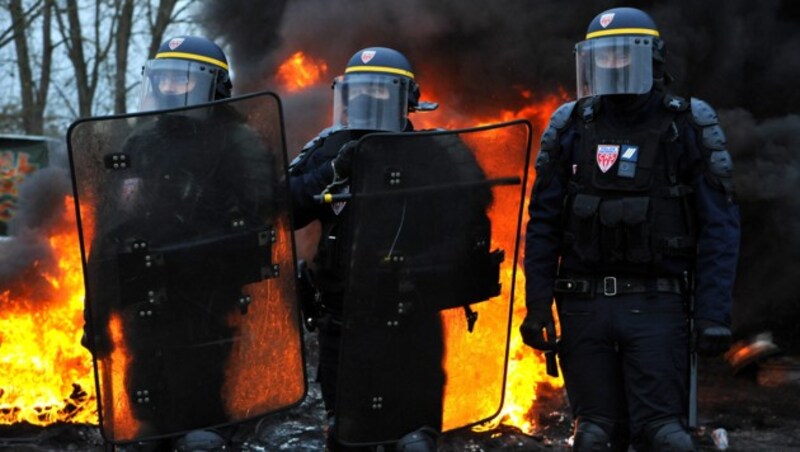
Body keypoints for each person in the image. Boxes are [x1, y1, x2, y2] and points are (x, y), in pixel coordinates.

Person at [520, 7, 740, 452]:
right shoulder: (570, 125)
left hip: (658, 305)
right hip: (583, 305)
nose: (612, 66)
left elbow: (719, 226)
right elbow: (542, 221)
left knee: (665, 435)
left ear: (652, 60)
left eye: (623, 56)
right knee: (594, 435)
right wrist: (538, 305)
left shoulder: (686, 124)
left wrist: (714, 313)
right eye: (602, 57)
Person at [290, 47, 498, 451]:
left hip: (412, 324)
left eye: (381, 91)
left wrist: (415, 270)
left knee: (414, 439)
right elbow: (282, 208)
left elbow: (471, 228)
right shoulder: (329, 149)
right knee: (348, 437)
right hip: (343, 323)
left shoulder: (437, 153)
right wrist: (332, 173)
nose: (369, 100)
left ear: (408, 99)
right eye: (360, 90)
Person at [82, 36, 276, 451]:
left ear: (215, 87)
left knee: (201, 422)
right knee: (149, 416)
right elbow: (110, 227)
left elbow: (257, 223)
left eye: (183, 81)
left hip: (205, 299)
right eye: (163, 80)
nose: (170, 89)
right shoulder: (142, 143)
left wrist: (194, 250)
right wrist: (95, 311)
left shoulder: (236, 142)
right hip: (144, 298)